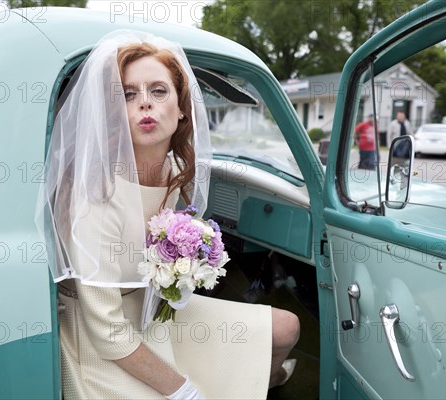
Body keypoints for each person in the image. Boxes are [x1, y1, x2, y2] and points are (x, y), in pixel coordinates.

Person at [36, 31, 300, 399]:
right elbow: (107, 332)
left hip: (155, 308)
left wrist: (183, 271)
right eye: (128, 94)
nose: (145, 103)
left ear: (180, 108)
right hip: (99, 335)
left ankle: (259, 380)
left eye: (158, 91)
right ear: (113, 111)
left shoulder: (176, 169)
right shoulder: (95, 193)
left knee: (286, 327)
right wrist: (183, 390)